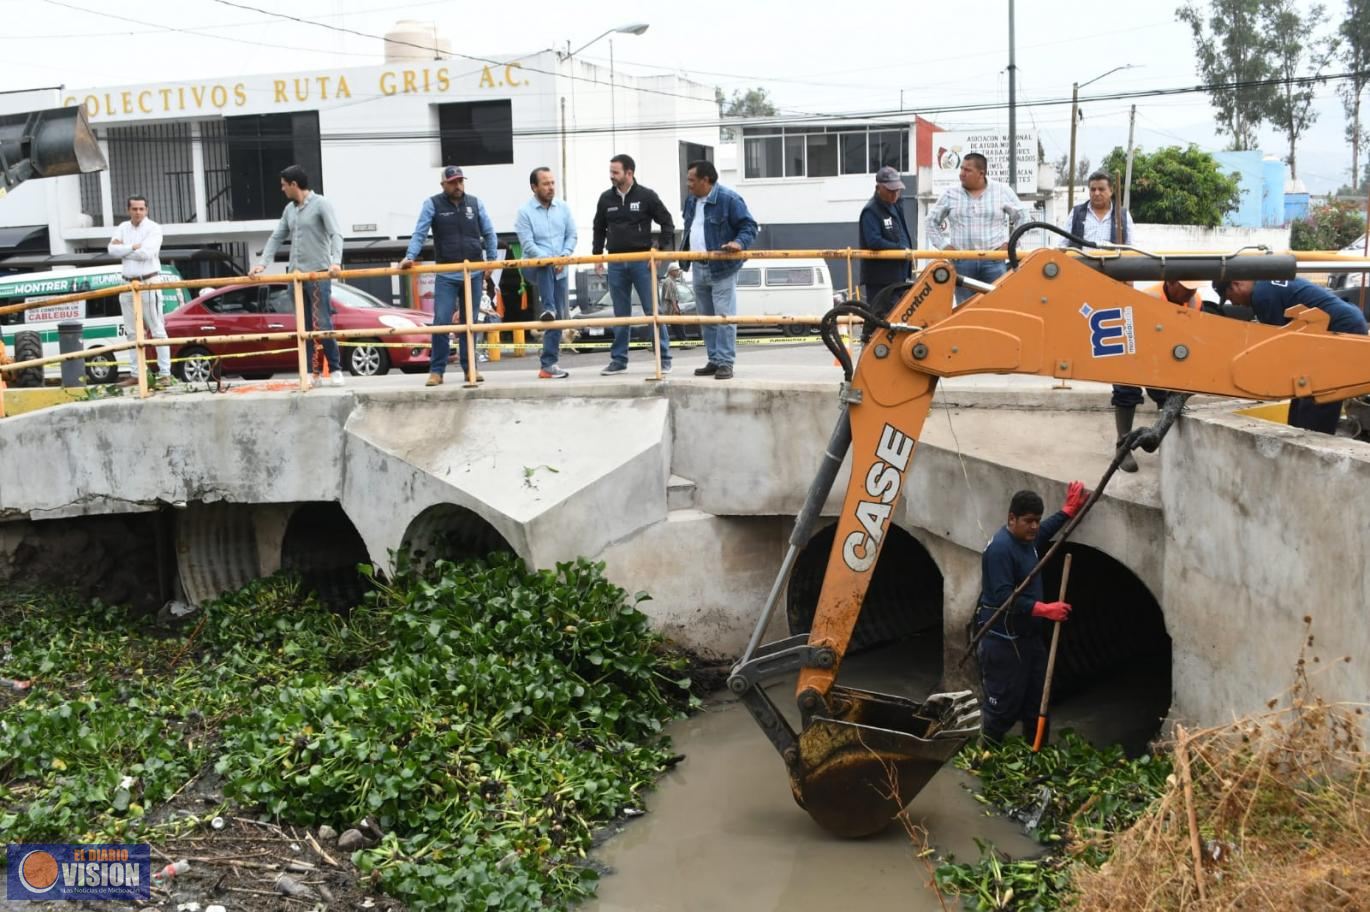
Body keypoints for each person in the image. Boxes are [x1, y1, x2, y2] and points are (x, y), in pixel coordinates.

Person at [975, 482, 1088, 744]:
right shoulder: (1000, 550)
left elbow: (1045, 530)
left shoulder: (1028, 538)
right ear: (1011, 519)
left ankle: (1036, 753)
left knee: (1038, 704)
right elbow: (1003, 597)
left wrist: (1068, 511)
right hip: (1004, 641)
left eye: (1037, 520)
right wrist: (1045, 609)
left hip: (1030, 640)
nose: (1035, 527)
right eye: (1029, 521)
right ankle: (986, 756)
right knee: (1001, 709)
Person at [1213, 277, 1370, 434]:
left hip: (1340, 327)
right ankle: (1300, 433)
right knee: (1302, 388)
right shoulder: (1266, 284)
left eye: (1230, 298)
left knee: (1320, 390)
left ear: (1235, 284)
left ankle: (1312, 440)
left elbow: (1279, 344)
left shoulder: (1262, 296)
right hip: (1342, 323)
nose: (1234, 304)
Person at [398, 166, 497, 386]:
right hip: (446, 272)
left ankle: (470, 369)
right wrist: (410, 256)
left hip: (473, 271)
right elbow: (420, 233)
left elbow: (489, 233)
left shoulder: (475, 203)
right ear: (443, 184)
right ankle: (437, 371)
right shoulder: (432, 204)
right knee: (441, 321)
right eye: (453, 182)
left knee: (470, 322)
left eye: (460, 181)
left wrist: (491, 261)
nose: (458, 186)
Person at [250, 164, 344, 386]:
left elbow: (336, 234)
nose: (282, 189)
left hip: (318, 272)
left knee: (323, 321)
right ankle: (312, 373)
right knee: (303, 326)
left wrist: (336, 262)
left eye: (284, 185)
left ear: (294, 184)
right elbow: (276, 237)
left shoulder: (321, 204)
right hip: (296, 275)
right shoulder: (289, 210)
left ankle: (336, 369)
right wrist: (262, 264)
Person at [592, 153, 676, 375]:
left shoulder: (647, 196)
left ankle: (663, 358)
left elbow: (667, 223)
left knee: (652, 310)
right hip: (615, 262)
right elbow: (598, 228)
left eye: (615, 172)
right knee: (621, 314)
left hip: (642, 262)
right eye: (610, 172)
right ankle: (619, 361)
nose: (611, 176)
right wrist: (597, 256)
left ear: (629, 173)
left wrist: (658, 250)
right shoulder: (605, 199)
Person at [1112, 279, 1203, 472]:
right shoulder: (1149, 298)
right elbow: (1132, 332)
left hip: (1165, 353)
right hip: (1135, 348)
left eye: (1194, 288)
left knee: (1166, 395)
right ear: (1171, 282)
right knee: (1126, 391)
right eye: (1187, 288)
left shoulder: (1196, 301)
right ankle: (1123, 446)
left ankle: (1167, 441)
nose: (1191, 292)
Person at [681, 159, 758, 380]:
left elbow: (749, 226)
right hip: (698, 265)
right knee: (706, 318)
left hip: (722, 267)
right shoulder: (691, 201)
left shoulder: (728, 199)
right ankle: (714, 359)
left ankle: (725, 362)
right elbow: (690, 228)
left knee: (724, 317)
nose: (688, 184)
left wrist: (739, 243)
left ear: (706, 180)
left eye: (692, 180)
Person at [926, 152, 1030, 303]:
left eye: (967, 170)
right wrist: (944, 247)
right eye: (961, 168)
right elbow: (930, 221)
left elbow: (1023, 217)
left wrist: (1010, 245)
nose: (962, 173)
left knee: (997, 304)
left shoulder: (1002, 190)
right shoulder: (950, 193)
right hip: (962, 261)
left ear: (981, 173)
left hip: (994, 261)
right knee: (965, 307)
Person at [514, 167, 577, 380]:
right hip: (534, 265)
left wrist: (564, 256)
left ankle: (548, 365)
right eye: (545, 184)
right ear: (534, 187)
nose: (550, 187)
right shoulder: (525, 212)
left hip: (560, 268)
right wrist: (550, 260)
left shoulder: (563, 208)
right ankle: (547, 307)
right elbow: (527, 244)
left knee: (556, 319)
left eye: (552, 183)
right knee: (543, 266)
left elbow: (572, 235)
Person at [107, 195, 172, 388]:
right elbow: (111, 250)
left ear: (147, 210)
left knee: (157, 329)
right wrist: (132, 247)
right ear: (128, 210)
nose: (138, 212)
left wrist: (123, 250)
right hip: (127, 283)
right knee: (132, 332)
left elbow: (147, 253)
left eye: (141, 209)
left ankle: (165, 374)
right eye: (134, 209)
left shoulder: (153, 228)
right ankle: (136, 374)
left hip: (148, 281)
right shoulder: (123, 227)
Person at [858, 165, 913, 314]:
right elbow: (874, 241)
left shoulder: (896, 205)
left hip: (898, 276)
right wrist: (900, 249)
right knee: (882, 317)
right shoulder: (871, 210)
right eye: (890, 190)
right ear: (878, 188)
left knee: (898, 316)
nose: (894, 194)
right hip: (880, 279)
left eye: (897, 190)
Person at [1061, 171, 1135, 247]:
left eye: (1101, 189)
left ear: (1111, 191)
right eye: (1093, 189)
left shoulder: (1122, 215)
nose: (1096, 193)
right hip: (1081, 255)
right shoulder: (1076, 213)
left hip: (1113, 255)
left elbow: (1131, 247)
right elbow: (1062, 245)